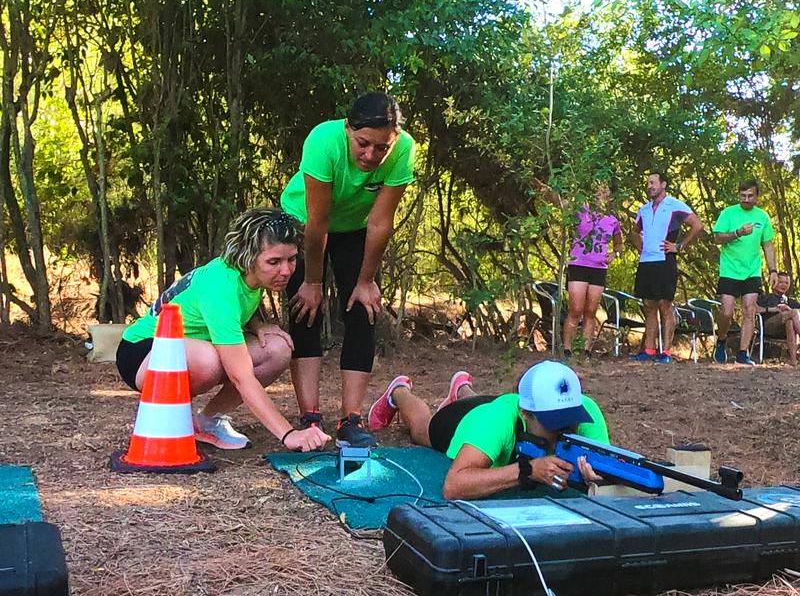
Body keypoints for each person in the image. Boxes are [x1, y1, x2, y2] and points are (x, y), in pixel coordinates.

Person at [116, 208, 330, 453]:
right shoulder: (221, 286)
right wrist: (289, 435)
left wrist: (257, 324)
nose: (286, 270)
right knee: (211, 361)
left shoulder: (248, 275)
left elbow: (228, 307)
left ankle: (208, 420)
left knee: (277, 347)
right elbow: (241, 377)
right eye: (274, 262)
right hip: (141, 351)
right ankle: (171, 419)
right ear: (249, 257)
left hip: (187, 346)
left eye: (291, 259)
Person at [280, 92, 416, 448]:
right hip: (303, 222)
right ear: (347, 129)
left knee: (362, 312)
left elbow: (380, 222)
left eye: (381, 148)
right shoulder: (324, 142)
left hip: (355, 228)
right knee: (305, 310)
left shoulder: (403, 149)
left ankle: (350, 420)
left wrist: (366, 280)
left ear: (394, 141)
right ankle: (309, 417)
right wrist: (312, 281)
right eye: (362, 143)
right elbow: (318, 222)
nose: (370, 155)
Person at [367, 362, 610, 500]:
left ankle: (462, 389)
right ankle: (399, 392)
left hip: (494, 407)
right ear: (526, 412)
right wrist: (529, 470)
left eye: (570, 421)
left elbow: (609, 476)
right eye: (554, 422)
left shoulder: (587, 411)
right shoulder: (501, 417)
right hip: (465, 419)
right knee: (422, 429)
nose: (564, 430)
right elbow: (454, 486)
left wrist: (598, 479)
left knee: (486, 404)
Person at [629, 172, 703, 364]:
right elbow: (634, 232)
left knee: (665, 305)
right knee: (649, 305)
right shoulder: (643, 210)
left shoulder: (675, 206)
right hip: (647, 262)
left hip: (665, 260)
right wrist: (641, 248)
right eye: (647, 183)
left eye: (653, 183)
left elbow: (697, 225)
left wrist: (679, 246)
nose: (649, 186)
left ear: (663, 184)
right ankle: (649, 349)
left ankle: (667, 351)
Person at [712, 179, 778, 365]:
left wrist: (773, 270)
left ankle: (743, 353)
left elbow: (768, 245)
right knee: (727, 312)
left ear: (757, 196)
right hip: (730, 270)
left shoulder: (762, 217)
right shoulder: (728, 213)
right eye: (743, 196)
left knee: (749, 309)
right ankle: (722, 340)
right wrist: (737, 233)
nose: (746, 199)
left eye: (750, 196)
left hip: (752, 270)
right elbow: (717, 238)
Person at [563, 182, 623, 357]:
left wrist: (615, 254)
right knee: (575, 308)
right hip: (578, 264)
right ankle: (567, 348)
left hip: (599, 268)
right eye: (597, 191)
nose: (600, 194)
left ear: (609, 197)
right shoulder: (580, 210)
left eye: (604, 192)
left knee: (591, 310)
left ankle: (586, 350)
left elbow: (619, 244)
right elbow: (560, 203)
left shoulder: (612, 219)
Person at [755, 272, 800, 366]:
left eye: (786, 283)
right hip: (768, 326)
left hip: (785, 329)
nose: (784, 285)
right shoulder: (765, 297)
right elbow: (753, 309)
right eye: (780, 282)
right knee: (794, 313)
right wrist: (771, 309)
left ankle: (793, 359)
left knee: (790, 321)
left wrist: (788, 309)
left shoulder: (791, 301)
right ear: (774, 282)